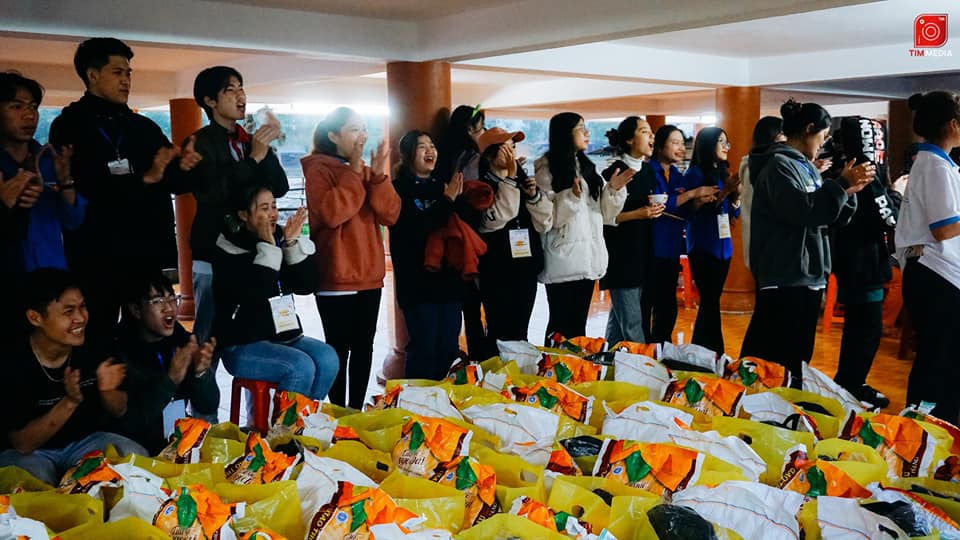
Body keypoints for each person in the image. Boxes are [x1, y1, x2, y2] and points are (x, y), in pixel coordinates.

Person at [48, 38, 202, 351]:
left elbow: (174, 181)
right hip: (97, 253)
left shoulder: (142, 127)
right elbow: (86, 189)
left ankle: (153, 382)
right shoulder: (69, 126)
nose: (126, 80)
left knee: (147, 334)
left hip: (144, 251)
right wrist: (145, 179)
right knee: (98, 335)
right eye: (117, 72)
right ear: (92, 75)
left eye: (129, 73)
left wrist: (186, 167)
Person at [741, 99, 873, 387]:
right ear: (809, 129)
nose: (823, 143)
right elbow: (804, 211)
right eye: (822, 135)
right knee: (775, 355)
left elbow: (829, 216)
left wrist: (849, 190)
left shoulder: (805, 167)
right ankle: (757, 402)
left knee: (797, 355)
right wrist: (839, 185)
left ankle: (786, 403)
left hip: (806, 273)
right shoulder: (778, 165)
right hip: (786, 273)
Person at [0, 269, 145, 485]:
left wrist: (108, 391)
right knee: (33, 486)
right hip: (31, 453)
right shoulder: (12, 362)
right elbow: (23, 443)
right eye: (68, 311)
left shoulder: (95, 345)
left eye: (82, 307)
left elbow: (120, 410)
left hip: (85, 442)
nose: (80, 318)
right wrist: (70, 401)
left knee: (136, 457)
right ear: (35, 317)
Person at [302, 107, 400, 409]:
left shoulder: (363, 170)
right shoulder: (318, 169)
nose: (363, 136)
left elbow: (391, 214)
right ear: (333, 136)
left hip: (369, 275)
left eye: (364, 128)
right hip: (337, 276)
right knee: (338, 349)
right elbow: (332, 213)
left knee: (363, 347)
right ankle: (337, 409)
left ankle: (355, 410)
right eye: (354, 129)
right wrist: (355, 173)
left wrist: (378, 176)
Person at [186, 66, 289, 343]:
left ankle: (255, 368)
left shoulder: (250, 140)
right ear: (210, 101)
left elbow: (280, 187)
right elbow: (212, 193)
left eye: (241, 88)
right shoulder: (200, 143)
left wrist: (263, 153)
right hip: (212, 249)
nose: (240, 96)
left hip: (252, 248)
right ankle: (201, 372)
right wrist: (252, 160)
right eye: (230, 90)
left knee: (254, 324)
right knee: (209, 331)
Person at [212, 186, 338, 400]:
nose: (273, 214)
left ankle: (303, 415)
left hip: (283, 335)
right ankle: (286, 421)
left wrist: (291, 244)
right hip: (242, 344)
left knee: (328, 358)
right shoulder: (229, 246)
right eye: (264, 208)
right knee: (300, 367)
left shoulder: (279, 237)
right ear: (243, 215)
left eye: (274, 206)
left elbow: (306, 286)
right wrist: (268, 248)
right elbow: (255, 295)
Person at [535, 112, 631, 343]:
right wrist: (570, 197)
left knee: (578, 324)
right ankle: (552, 363)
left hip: (588, 256)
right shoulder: (547, 170)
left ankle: (576, 365)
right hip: (562, 258)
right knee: (559, 324)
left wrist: (614, 190)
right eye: (580, 128)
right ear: (565, 134)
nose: (587, 133)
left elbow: (606, 214)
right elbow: (548, 219)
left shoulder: (587, 167)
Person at [829, 116, 902, 410]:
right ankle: (851, 386)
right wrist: (896, 193)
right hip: (862, 263)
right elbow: (889, 218)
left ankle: (850, 383)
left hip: (855, 261)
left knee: (860, 330)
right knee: (865, 330)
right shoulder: (864, 177)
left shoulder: (842, 172)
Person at [896, 91, 960, 422]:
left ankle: (931, 427)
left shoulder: (937, 163)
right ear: (952, 124)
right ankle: (932, 427)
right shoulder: (935, 166)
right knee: (939, 360)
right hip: (936, 274)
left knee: (940, 359)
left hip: (937, 273)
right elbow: (944, 228)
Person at [390, 130, 466, 380]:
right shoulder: (398, 190)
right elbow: (416, 229)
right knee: (424, 347)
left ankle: (444, 399)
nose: (430, 150)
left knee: (449, 347)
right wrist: (447, 200)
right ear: (408, 154)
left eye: (432, 145)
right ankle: (418, 400)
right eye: (422, 146)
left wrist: (454, 199)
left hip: (448, 280)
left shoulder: (443, 186)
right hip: (416, 282)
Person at [114, 272, 219, 454]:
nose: (169, 308)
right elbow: (132, 422)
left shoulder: (183, 342)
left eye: (172, 299)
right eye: (157, 301)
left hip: (176, 438)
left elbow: (208, 406)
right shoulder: (121, 353)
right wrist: (170, 380)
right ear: (136, 310)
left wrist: (201, 374)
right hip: (134, 448)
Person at [475, 127, 552, 355]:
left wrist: (534, 196)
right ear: (489, 154)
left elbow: (544, 223)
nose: (512, 152)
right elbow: (497, 219)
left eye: (513, 147)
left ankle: (518, 371)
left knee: (520, 329)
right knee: (499, 330)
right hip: (496, 270)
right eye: (505, 148)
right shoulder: (480, 187)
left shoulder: (522, 182)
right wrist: (509, 180)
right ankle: (496, 373)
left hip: (525, 267)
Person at [0, 72, 85, 274]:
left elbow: (73, 221)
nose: (29, 115)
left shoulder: (49, 160)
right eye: (17, 106)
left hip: (50, 271)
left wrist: (65, 182)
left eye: (33, 107)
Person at [641, 125, 718, 344]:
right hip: (650, 248)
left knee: (667, 307)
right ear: (659, 146)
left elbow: (684, 212)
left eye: (682, 143)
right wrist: (693, 193)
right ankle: (642, 350)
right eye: (675, 143)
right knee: (646, 305)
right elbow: (660, 204)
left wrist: (697, 202)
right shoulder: (647, 172)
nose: (681, 148)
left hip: (671, 248)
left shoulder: (676, 174)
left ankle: (661, 349)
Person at [600, 117, 663, 344]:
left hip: (642, 250)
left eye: (651, 132)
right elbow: (606, 218)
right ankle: (642, 363)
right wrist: (640, 213)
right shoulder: (615, 172)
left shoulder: (647, 171)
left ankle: (609, 358)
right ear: (629, 140)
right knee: (633, 322)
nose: (651, 136)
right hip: (621, 255)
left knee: (620, 321)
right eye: (644, 131)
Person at [436, 105, 487, 359]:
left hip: (455, 238)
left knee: (465, 306)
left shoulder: (447, 156)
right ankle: (482, 360)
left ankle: (469, 359)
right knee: (479, 304)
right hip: (475, 235)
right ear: (469, 129)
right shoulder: (473, 158)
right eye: (481, 128)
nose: (484, 133)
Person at [684, 127, 740, 354]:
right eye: (721, 142)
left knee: (712, 300)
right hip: (703, 245)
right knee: (709, 300)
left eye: (727, 142)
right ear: (708, 145)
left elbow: (733, 211)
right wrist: (726, 192)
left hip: (724, 247)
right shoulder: (694, 174)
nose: (726, 147)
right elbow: (694, 211)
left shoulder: (724, 173)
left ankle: (704, 350)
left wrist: (736, 195)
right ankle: (713, 350)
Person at [740, 116, 785, 274]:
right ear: (777, 136)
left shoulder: (751, 164)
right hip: (769, 249)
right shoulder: (769, 166)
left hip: (758, 249)